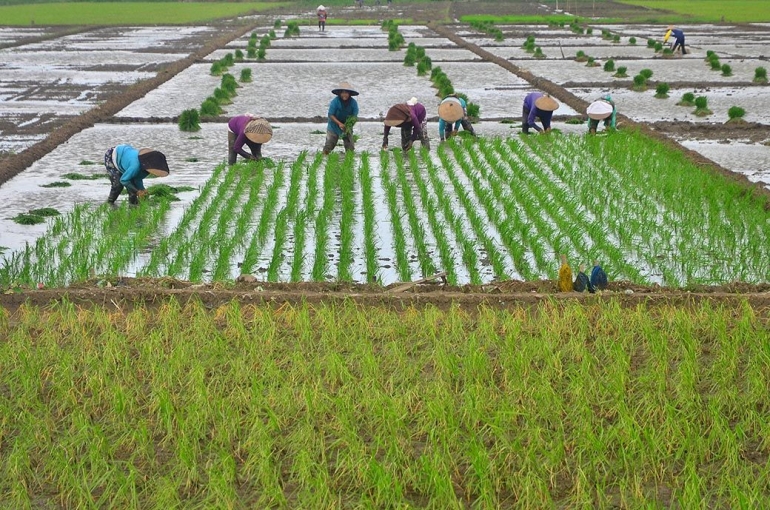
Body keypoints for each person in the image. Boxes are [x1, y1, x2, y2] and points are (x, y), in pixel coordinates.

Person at [104, 145, 169, 207]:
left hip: (126, 156)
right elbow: (123, 180)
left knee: (132, 192)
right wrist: (138, 191)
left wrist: (142, 190)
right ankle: (109, 204)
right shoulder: (135, 166)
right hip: (113, 155)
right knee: (118, 185)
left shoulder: (146, 169)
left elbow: (137, 179)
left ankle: (132, 208)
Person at [323, 82, 359, 155]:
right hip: (334, 124)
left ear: (349, 94)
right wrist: (339, 124)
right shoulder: (335, 102)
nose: (344, 94)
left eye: (346, 93)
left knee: (350, 147)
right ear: (339, 93)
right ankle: (324, 156)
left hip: (347, 125)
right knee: (330, 143)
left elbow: (354, 116)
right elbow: (331, 115)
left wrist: (348, 126)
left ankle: (349, 159)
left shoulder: (353, 103)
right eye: (342, 92)